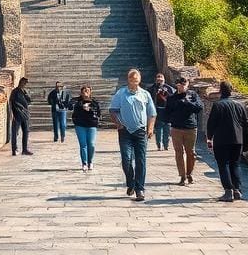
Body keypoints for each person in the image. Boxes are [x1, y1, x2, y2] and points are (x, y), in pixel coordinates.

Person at [109, 68, 156, 201]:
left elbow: (152, 113)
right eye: (131, 79)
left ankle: (139, 189)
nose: (134, 82)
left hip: (140, 131)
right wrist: (118, 123)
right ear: (128, 79)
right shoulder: (121, 93)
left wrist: (150, 128)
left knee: (141, 160)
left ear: (139, 80)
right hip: (125, 131)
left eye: (136, 80)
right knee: (126, 159)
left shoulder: (145, 94)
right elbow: (112, 110)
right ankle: (131, 182)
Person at [205, 80, 248, 202]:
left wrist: (209, 138)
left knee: (223, 164)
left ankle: (228, 191)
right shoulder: (240, 105)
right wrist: (246, 144)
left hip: (222, 140)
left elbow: (211, 124)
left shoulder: (218, 105)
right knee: (235, 164)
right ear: (231, 90)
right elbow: (245, 126)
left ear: (220, 91)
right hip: (238, 140)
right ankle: (237, 190)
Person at [163, 76, 204, 185]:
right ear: (177, 85)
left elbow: (199, 108)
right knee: (179, 153)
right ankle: (182, 176)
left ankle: (189, 173)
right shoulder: (172, 98)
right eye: (180, 84)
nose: (182, 86)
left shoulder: (193, 95)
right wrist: (172, 120)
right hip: (176, 128)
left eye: (184, 84)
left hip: (190, 128)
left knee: (191, 153)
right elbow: (166, 113)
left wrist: (187, 102)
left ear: (187, 84)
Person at [71, 84, 101, 171]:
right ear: (81, 93)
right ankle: (84, 163)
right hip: (80, 125)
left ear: (90, 92)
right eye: (84, 91)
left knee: (91, 144)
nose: (86, 92)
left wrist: (90, 109)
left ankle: (90, 162)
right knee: (83, 144)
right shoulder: (77, 103)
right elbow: (74, 111)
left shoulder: (94, 103)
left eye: (87, 90)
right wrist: (82, 107)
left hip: (92, 125)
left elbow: (98, 113)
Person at [148, 73, 175, 150]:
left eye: (161, 77)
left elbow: (173, 98)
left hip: (167, 111)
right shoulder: (152, 88)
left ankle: (166, 145)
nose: (159, 79)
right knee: (158, 129)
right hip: (157, 111)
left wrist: (166, 93)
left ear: (164, 79)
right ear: (155, 79)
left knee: (167, 129)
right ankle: (159, 145)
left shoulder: (169, 88)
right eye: (158, 77)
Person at [9, 77, 33, 155]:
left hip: (25, 114)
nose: (25, 84)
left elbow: (29, 100)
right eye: (24, 83)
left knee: (26, 131)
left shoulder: (24, 91)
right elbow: (11, 103)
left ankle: (24, 149)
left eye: (26, 83)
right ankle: (14, 149)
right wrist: (12, 114)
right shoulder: (14, 92)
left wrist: (25, 93)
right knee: (15, 132)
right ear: (21, 82)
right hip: (17, 114)